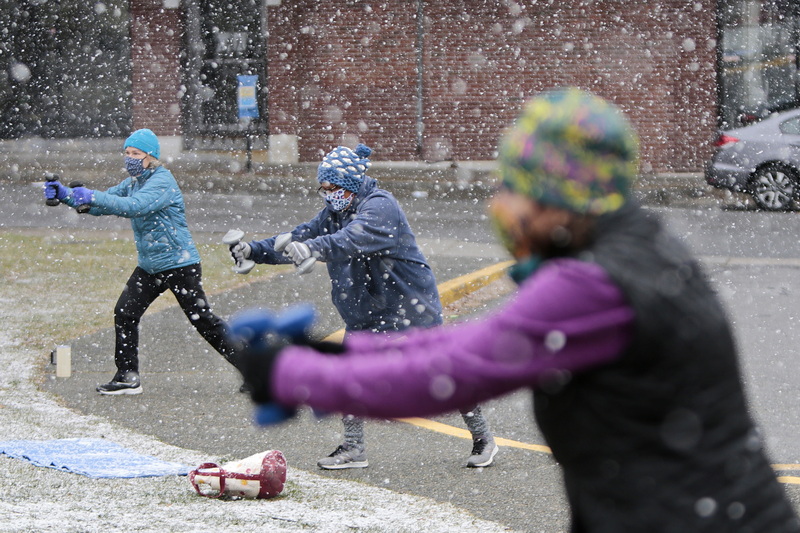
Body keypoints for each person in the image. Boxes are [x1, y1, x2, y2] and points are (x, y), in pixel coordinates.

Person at [233, 89, 800, 531]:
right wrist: (329, 352)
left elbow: (453, 371)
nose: (503, 206)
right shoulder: (636, 246)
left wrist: (293, 373)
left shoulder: (595, 283)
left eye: (518, 187)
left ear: (561, 191)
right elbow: (458, 346)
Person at [229, 143, 498, 469]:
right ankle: (353, 449)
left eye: (335, 188)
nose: (329, 195)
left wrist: (313, 248)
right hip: (364, 313)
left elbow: (354, 238)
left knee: (440, 374)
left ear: (352, 184)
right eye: (324, 189)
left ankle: (483, 437)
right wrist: (253, 251)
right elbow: (296, 237)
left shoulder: (380, 208)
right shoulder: (333, 214)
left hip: (408, 310)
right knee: (348, 376)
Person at [43, 128, 242, 396]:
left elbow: (134, 206)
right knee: (125, 312)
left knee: (204, 322)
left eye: (135, 153)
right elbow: (107, 204)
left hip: (179, 264)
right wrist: (66, 195)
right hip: (151, 266)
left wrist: (91, 196)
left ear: (151, 156)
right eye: (127, 153)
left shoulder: (162, 182)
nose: (130, 158)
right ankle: (127, 377)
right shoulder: (134, 181)